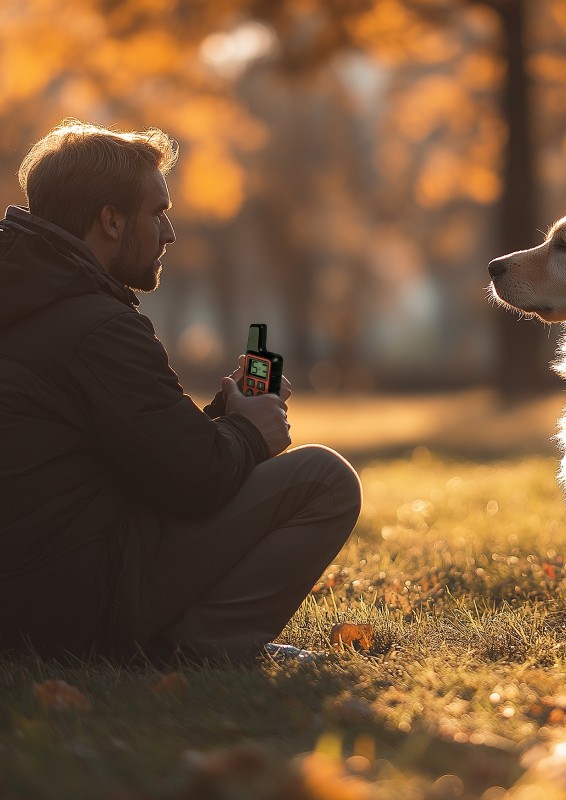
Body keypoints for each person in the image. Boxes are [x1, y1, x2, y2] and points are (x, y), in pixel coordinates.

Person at [0, 119, 362, 661]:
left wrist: (221, 415)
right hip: (63, 610)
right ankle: (203, 644)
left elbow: (132, 449)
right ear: (112, 221)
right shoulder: (95, 324)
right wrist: (250, 431)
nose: (169, 232)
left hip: (26, 588)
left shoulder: (30, 299)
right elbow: (193, 481)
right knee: (324, 478)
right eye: (158, 212)